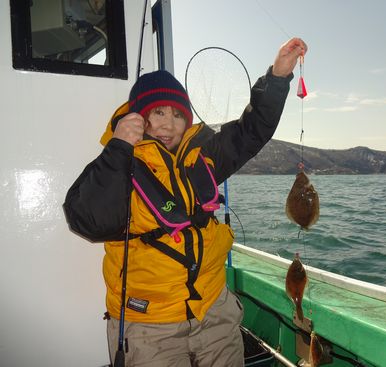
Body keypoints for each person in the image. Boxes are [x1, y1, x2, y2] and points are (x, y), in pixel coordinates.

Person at [63, 37, 307, 367]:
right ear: (138, 117)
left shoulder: (202, 155)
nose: (168, 123)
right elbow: (90, 222)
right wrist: (120, 147)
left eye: (178, 114)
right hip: (150, 325)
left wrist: (277, 78)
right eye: (157, 113)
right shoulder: (118, 161)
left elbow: (252, 131)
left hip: (214, 311)